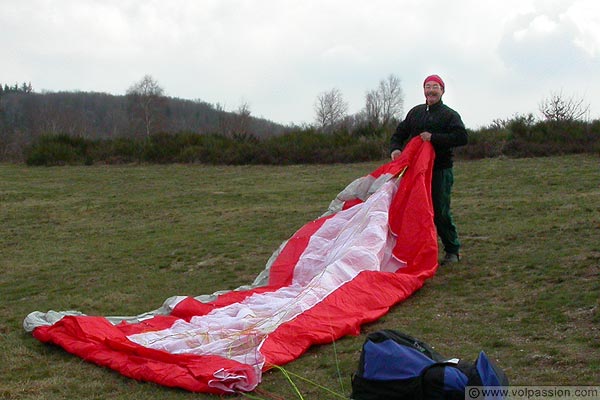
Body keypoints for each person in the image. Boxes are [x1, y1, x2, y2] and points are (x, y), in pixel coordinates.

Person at [390, 74, 468, 265]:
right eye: (428, 86)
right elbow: (400, 132)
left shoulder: (449, 115)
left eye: (435, 87)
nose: (431, 90)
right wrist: (396, 148)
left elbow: (461, 137)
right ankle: (418, 250)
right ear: (423, 90)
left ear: (442, 91)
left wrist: (434, 138)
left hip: (440, 170)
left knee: (440, 211)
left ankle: (452, 250)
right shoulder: (415, 113)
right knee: (415, 210)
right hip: (415, 171)